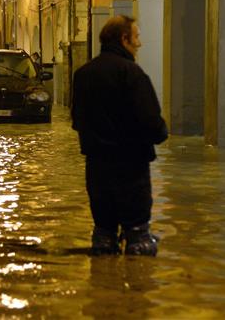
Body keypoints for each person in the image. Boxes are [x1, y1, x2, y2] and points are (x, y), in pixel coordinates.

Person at [71, 15, 168, 256]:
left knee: (103, 237)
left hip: (97, 166)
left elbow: (77, 121)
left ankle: (104, 285)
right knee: (139, 245)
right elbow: (151, 121)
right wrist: (160, 133)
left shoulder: (83, 74)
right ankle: (133, 288)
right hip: (131, 167)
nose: (139, 43)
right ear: (124, 39)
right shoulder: (132, 74)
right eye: (136, 37)